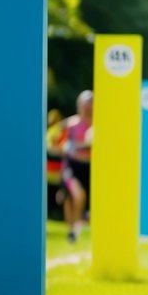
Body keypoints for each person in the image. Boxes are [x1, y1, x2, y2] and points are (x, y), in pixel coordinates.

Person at [60, 90, 94, 243]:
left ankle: (74, 230)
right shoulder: (70, 124)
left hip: (89, 167)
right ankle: (72, 230)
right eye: (85, 105)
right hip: (71, 166)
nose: (87, 109)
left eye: (90, 105)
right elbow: (54, 140)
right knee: (75, 196)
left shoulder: (97, 125)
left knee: (80, 200)